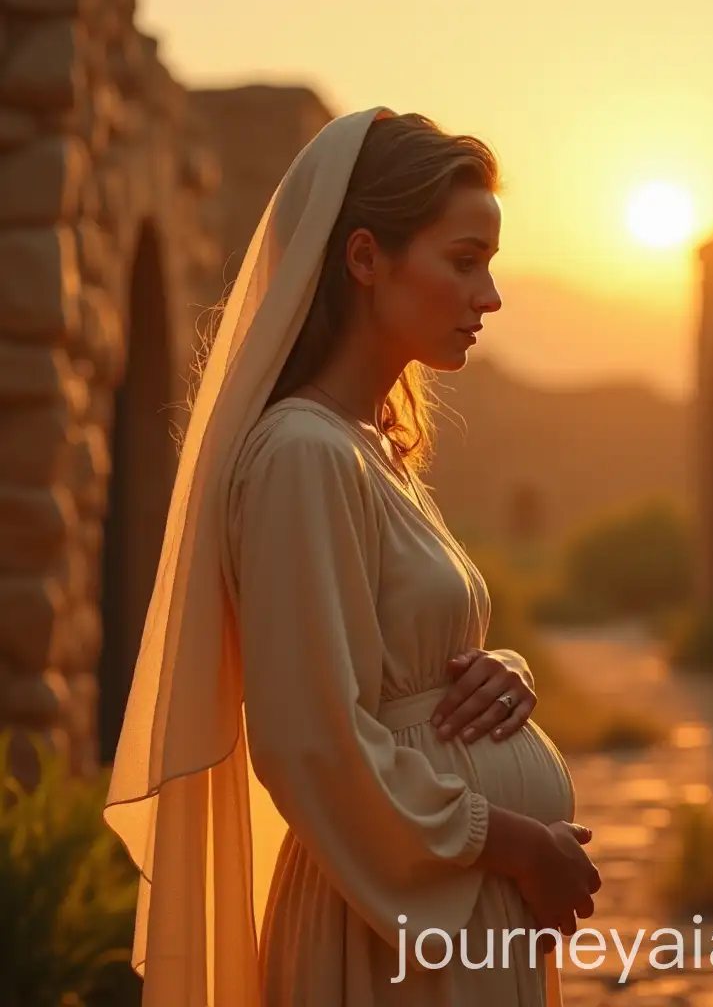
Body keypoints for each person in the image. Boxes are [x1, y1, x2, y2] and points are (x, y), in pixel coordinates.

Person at [103, 107, 601, 1007]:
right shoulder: (303, 454)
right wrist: (522, 847)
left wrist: (500, 675)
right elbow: (311, 740)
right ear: (366, 259)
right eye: (463, 261)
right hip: (388, 944)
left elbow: (393, 666)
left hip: (453, 923)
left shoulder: (368, 448)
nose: (489, 297)